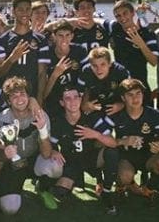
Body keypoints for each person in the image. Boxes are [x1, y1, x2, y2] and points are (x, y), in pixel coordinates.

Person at [38, 85, 119, 213]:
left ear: (81, 100)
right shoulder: (58, 122)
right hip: (71, 162)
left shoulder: (92, 117)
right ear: (62, 103)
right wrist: (54, 150)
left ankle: (107, 191)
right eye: (68, 98)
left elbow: (113, 143)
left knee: (112, 153)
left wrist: (95, 134)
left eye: (76, 97)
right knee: (61, 193)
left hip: (92, 159)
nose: (73, 101)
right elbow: (50, 145)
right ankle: (50, 184)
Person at [0, 76, 53, 215]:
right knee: (9, 208)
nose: (20, 99)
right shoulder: (1, 119)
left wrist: (42, 130)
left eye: (22, 94)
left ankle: (43, 187)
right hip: (13, 165)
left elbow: (46, 153)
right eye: (14, 96)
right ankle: (7, 189)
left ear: (29, 96)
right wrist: (5, 154)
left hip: (33, 159)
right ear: (8, 101)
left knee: (54, 165)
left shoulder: (40, 115)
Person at [111, 79, 159, 201]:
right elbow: (104, 139)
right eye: (130, 95)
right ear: (123, 98)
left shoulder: (154, 115)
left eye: (138, 93)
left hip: (148, 156)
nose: (135, 98)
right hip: (126, 157)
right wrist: (122, 141)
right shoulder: (117, 115)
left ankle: (148, 188)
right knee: (124, 175)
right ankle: (122, 186)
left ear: (143, 95)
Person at [95, 0, 159, 103]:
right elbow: (96, 20)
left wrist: (141, 44)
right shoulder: (115, 27)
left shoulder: (147, 33)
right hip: (120, 86)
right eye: (118, 16)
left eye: (125, 13)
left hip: (140, 87)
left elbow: (154, 61)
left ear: (133, 13)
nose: (122, 18)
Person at [0, 0, 50, 103]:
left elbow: (42, 73)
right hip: (10, 97)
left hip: (32, 97)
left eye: (27, 9)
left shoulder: (41, 40)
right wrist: (12, 58)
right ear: (13, 12)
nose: (25, 13)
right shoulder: (2, 40)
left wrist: (39, 99)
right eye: (20, 10)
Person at [41, 21, 89, 117]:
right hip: (54, 101)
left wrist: (84, 101)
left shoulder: (80, 51)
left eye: (67, 35)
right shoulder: (46, 53)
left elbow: (88, 79)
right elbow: (43, 94)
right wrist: (55, 74)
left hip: (75, 101)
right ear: (54, 36)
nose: (64, 39)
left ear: (72, 36)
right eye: (60, 35)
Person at [78, 46, 129, 116]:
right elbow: (79, 94)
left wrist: (122, 105)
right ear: (90, 65)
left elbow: (131, 94)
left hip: (116, 107)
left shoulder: (120, 72)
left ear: (110, 63)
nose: (99, 69)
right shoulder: (86, 72)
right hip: (94, 108)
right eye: (94, 66)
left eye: (103, 64)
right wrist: (85, 105)